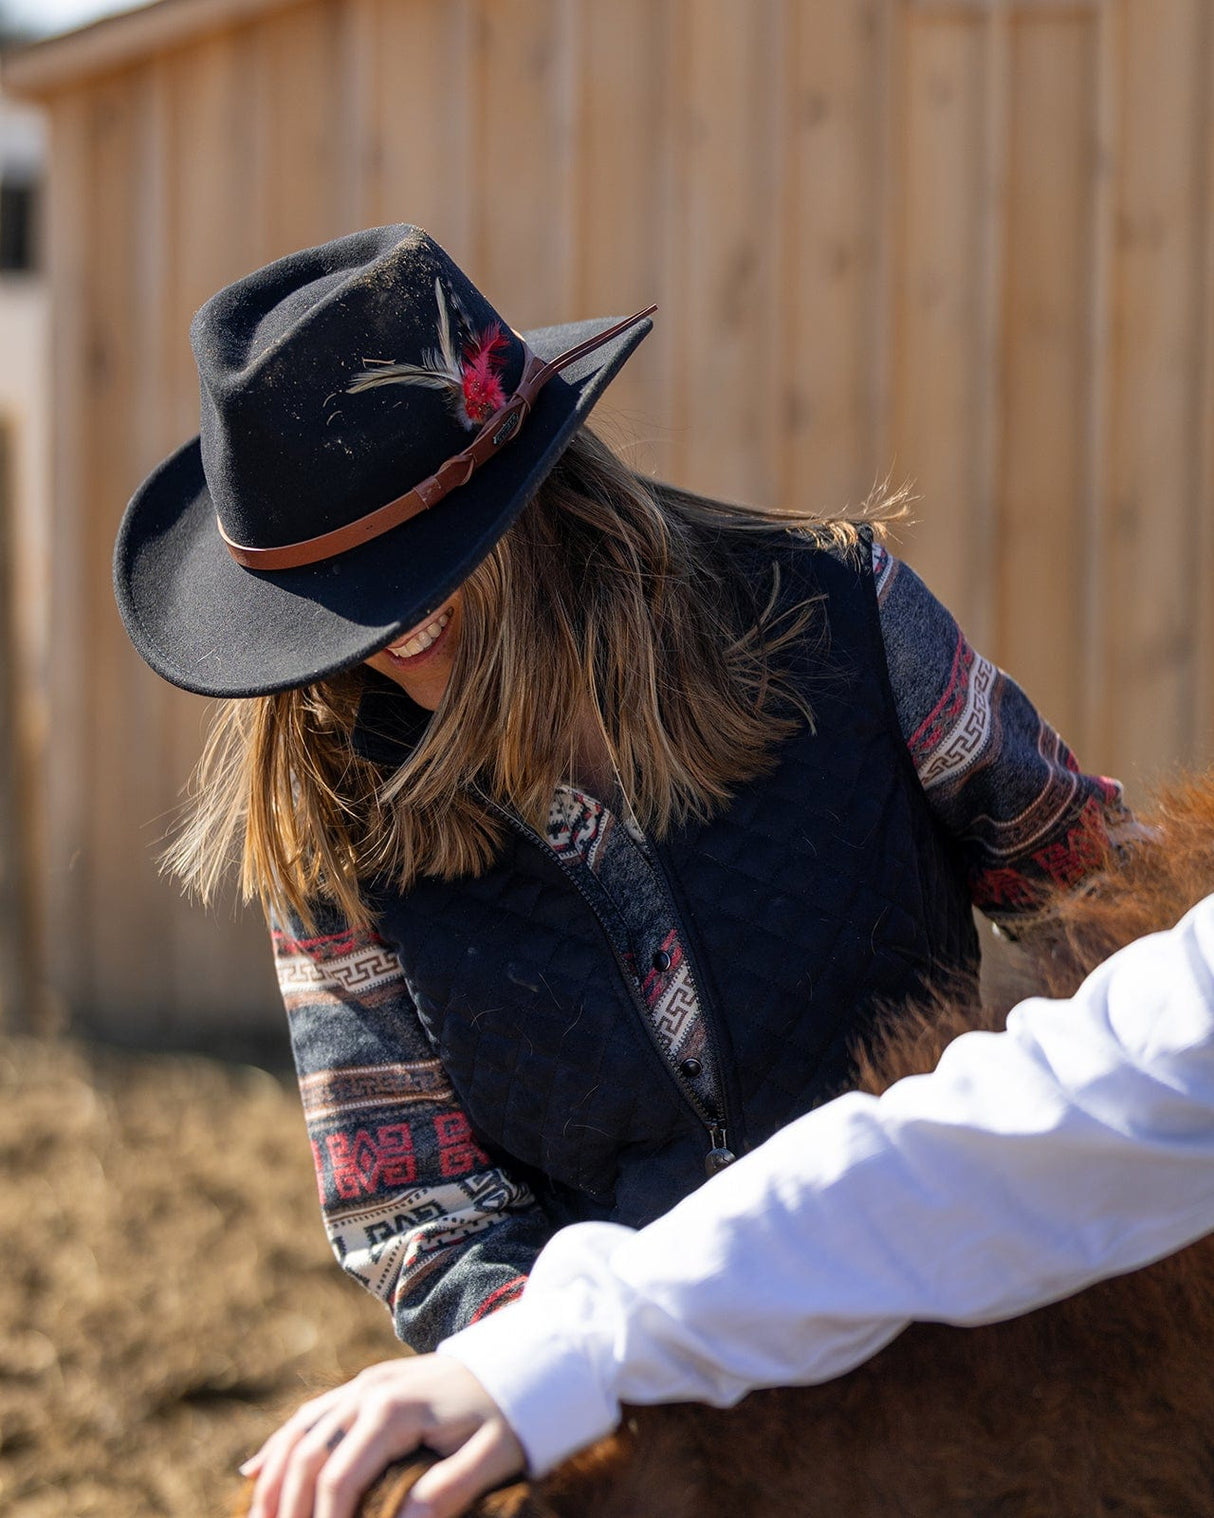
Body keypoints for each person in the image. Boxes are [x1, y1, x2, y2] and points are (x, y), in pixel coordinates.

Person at [112, 225, 1125, 1518]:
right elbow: (415, 1196)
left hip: (964, 1321)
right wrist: (580, 1371)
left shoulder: (835, 614)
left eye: (410, 566)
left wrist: (1064, 1211)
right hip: (644, 1407)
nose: (391, 631)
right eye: (343, 601)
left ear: (524, 490)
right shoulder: (332, 807)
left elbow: (1093, 889)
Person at [239, 890, 1214, 1518]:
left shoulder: (832, 615)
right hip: (719, 1398)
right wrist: (552, 1354)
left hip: (905, 1394)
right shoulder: (327, 839)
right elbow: (1041, 1117)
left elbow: (1088, 913)